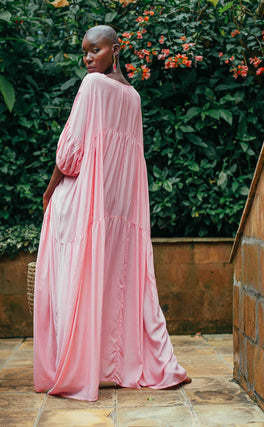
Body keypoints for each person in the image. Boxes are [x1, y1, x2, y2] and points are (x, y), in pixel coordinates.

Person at [33, 24, 190, 402]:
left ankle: (74, 366)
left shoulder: (92, 87)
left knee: (73, 281)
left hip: (83, 203)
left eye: (95, 50)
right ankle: (113, 365)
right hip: (119, 210)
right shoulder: (133, 97)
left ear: (115, 49)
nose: (88, 58)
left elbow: (70, 154)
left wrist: (50, 189)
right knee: (115, 284)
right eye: (85, 52)